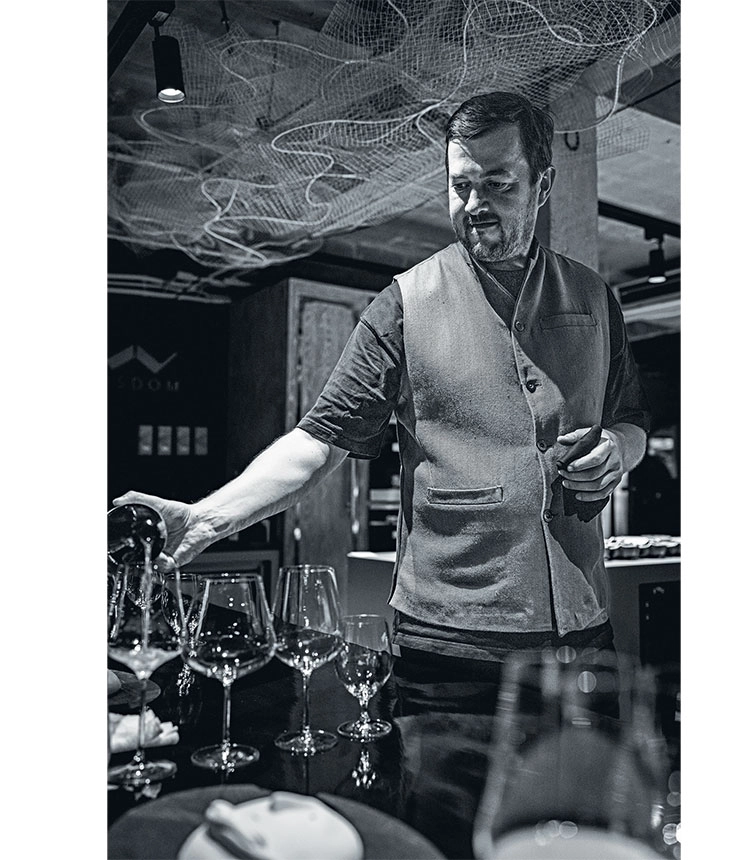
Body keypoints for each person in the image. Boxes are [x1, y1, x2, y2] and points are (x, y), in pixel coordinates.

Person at [116, 91, 651, 714]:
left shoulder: (595, 297)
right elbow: (319, 442)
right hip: (448, 650)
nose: (474, 205)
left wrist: (620, 449)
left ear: (544, 185)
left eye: (499, 185)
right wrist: (208, 519)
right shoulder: (404, 304)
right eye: (460, 186)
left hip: (584, 636)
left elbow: (632, 419)